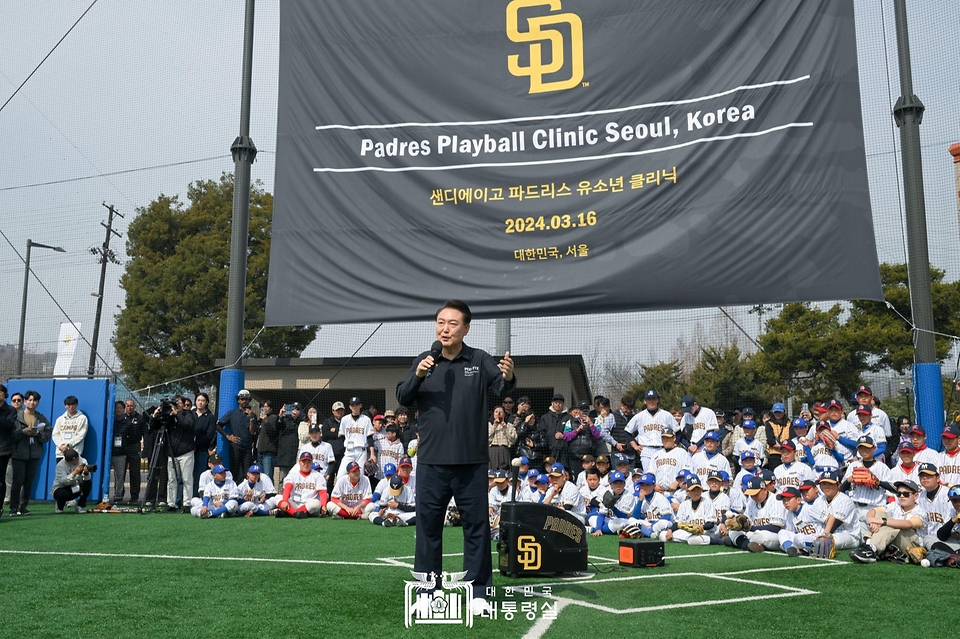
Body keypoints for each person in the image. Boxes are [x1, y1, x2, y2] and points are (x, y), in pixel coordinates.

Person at [396, 299, 515, 613]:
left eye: (452, 323)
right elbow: (403, 396)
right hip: (433, 462)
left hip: (471, 463)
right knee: (428, 529)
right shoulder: (424, 360)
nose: (445, 329)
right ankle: (426, 592)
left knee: (476, 528)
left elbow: (502, 389)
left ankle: (479, 595)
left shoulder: (479, 359)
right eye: (440, 322)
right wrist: (419, 374)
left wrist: (510, 375)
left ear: (466, 328)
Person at [851, 480, 928, 563]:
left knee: (894, 524)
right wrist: (871, 521)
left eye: (906, 494)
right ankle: (870, 546)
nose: (901, 496)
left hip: (913, 546)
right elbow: (873, 510)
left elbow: (908, 524)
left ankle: (871, 548)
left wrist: (882, 521)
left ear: (915, 496)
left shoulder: (920, 511)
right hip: (897, 540)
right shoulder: (896, 506)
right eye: (899, 494)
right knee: (880, 514)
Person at [10, 390, 50, 516]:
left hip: (34, 454)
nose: (32, 402)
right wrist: (22, 432)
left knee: (28, 481)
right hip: (19, 454)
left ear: (38, 402)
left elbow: (47, 436)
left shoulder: (41, 418)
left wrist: (38, 433)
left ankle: (23, 507)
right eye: (30, 400)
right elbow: (10, 435)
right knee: (18, 480)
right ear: (25, 401)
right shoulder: (16, 417)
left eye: (35, 400)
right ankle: (13, 508)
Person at [152, 396, 196, 513]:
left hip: (186, 452)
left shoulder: (188, 414)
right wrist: (155, 416)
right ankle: (171, 503)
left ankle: (187, 504)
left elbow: (188, 425)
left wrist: (177, 414)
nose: (177, 405)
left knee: (187, 479)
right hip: (171, 453)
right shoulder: (169, 416)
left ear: (183, 404)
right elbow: (153, 427)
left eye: (179, 403)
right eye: (175, 403)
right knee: (171, 479)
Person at [626, 390, 678, 473]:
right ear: (645, 401)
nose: (651, 401)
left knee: (662, 474)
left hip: (662, 448)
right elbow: (627, 431)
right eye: (649, 399)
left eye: (653, 399)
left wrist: (675, 443)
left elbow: (678, 431)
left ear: (657, 400)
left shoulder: (666, 415)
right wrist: (635, 446)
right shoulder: (639, 416)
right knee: (649, 476)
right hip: (646, 449)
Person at [216, 389, 258, 479]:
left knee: (247, 473)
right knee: (234, 471)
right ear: (238, 400)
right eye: (242, 399)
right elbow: (218, 425)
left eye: (246, 399)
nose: (244, 401)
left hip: (247, 447)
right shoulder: (232, 413)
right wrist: (228, 436)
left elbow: (252, 432)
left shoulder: (253, 415)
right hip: (235, 447)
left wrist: (251, 418)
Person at [112, 399, 145, 505]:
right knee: (120, 474)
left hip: (134, 448)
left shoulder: (140, 418)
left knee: (135, 473)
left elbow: (144, 434)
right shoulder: (120, 418)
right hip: (122, 449)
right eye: (127, 406)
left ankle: (134, 497)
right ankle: (119, 495)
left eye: (131, 406)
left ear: (134, 407)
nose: (129, 407)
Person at [278, 452, 327, 518]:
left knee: (316, 503)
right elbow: (287, 487)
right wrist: (285, 501)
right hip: (295, 503)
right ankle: (296, 513)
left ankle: (289, 512)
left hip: (309, 506)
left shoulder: (318, 475)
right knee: (278, 497)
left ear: (312, 462)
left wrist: (323, 505)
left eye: (308, 462)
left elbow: (323, 492)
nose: (306, 464)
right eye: (304, 462)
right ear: (299, 462)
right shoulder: (293, 474)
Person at [338, 397, 376, 481]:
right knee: (340, 476)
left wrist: (372, 454)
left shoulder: (366, 420)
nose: (355, 407)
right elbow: (342, 437)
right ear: (350, 407)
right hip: (349, 451)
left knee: (360, 476)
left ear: (360, 405)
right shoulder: (345, 419)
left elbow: (369, 438)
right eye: (353, 405)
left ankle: (359, 494)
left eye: (357, 405)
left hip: (361, 451)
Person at [51, 448, 93, 513]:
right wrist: (74, 473)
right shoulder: (60, 465)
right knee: (62, 494)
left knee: (88, 484)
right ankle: (59, 507)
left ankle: (80, 506)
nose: (75, 462)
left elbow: (87, 479)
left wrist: (86, 473)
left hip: (75, 486)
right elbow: (64, 481)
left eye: (76, 460)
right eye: (72, 461)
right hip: (61, 487)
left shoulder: (83, 461)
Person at [0, 384, 19, 517]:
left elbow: (8, 425)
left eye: (1, 392)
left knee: (1, 481)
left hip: (3, 450)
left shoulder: (11, 410)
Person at [322, 401, 347, 492]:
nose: (339, 412)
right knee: (329, 479)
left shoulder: (346, 421)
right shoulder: (328, 421)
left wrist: (334, 432)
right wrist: (337, 435)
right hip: (330, 456)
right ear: (333, 411)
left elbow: (346, 434)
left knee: (342, 479)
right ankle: (328, 500)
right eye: (337, 410)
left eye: (341, 410)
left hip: (342, 455)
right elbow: (324, 434)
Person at [254, 399, 279, 483]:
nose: (264, 409)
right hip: (259, 452)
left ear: (270, 408)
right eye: (262, 407)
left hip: (268, 452)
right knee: (259, 476)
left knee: (268, 476)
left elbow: (273, 432)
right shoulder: (260, 420)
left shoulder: (273, 418)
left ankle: (270, 494)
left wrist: (266, 421)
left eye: (266, 407)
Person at [763, 402, 791, 471]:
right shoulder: (769, 423)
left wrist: (785, 447)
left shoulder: (789, 423)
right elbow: (770, 440)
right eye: (776, 412)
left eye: (780, 412)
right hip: (774, 454)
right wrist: (782, 446)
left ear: (784, 412)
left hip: (788, 452)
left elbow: (791, 437)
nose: (778, 414)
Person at [487, 406, 516, 471]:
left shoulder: (509, 425)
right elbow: (486, 439)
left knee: (505, 472)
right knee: (492, 472)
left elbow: (513, 440)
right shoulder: (489, 425)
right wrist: (494, 426)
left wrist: (505, 429)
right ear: (493, 414)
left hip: (504, 450)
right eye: (496, 412)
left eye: (501, 412)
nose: (498, 414)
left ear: (504, 414)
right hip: (492, 451)